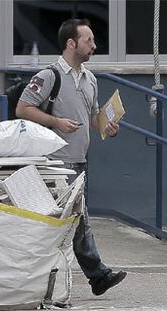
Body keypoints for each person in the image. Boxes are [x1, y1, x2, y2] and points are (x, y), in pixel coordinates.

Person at [15, 18, 126, 296]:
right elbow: (23, 108)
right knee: (77, 219)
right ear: (71, 43)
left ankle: (48, 276)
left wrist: (107, 127)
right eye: (89, 40)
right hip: (54, 163)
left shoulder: (91, 79)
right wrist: (56, 122)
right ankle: (96, 274)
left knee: (71, 220)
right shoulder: (49, 75)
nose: (94, 45)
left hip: (79, 160)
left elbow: (91, 118)